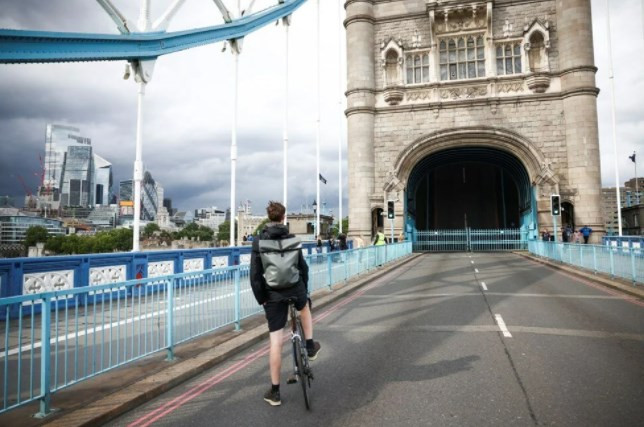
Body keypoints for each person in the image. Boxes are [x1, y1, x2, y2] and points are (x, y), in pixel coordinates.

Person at [250, 201, 321, 407]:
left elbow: (255, 276)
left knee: (275, 342)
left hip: (273, 295)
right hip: (295, 288)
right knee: (304, 308)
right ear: (283, 217)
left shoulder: (259, 242)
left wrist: (261, 297)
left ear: (268, 217)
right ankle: (309, 345)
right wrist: (303, 289)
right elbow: (303, 267)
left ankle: (275, 392)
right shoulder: (292, 239)